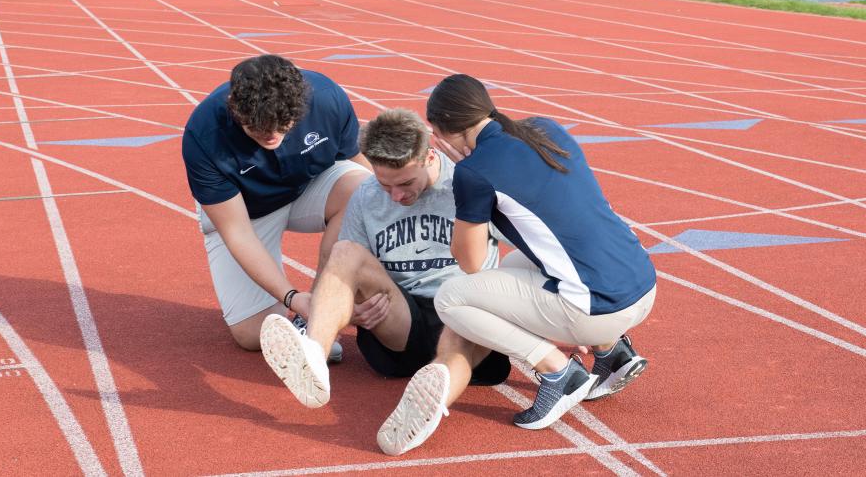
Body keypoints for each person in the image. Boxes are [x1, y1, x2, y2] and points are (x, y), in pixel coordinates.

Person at [404, 73, 657, 441]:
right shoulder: (544, 127)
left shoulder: (473, 173)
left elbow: (470, 262)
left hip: (598, 310)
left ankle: (557, 371)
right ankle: (613, 354)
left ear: (440, 134)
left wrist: (466, 181)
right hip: (642, 285)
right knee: (511, 266)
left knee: (452, 298)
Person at [257, 108, 511, 454]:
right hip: (398, 319)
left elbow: (534, 245)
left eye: (406, 183)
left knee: (463, 331)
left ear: (429, 156)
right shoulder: (365, 194)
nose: (395, 196)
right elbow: (345, 273)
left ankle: (429, 404)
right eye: (384, 183)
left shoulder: (469, 185)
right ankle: (313, 355)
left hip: (463, 312)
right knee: (344, 251)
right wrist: (351, 310)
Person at [181, 54, 371, 354]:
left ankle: (320, 312)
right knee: (253, 335)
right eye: (257, 128)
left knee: (364, 189)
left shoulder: (326, 98)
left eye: (283, 125)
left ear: (301, 105)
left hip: (309, 185)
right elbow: (237, 232)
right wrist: (292, 298)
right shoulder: (203, 134)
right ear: (234, 108)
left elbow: (361, 163)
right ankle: (304, 311)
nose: (271, 134)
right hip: (245, 210)